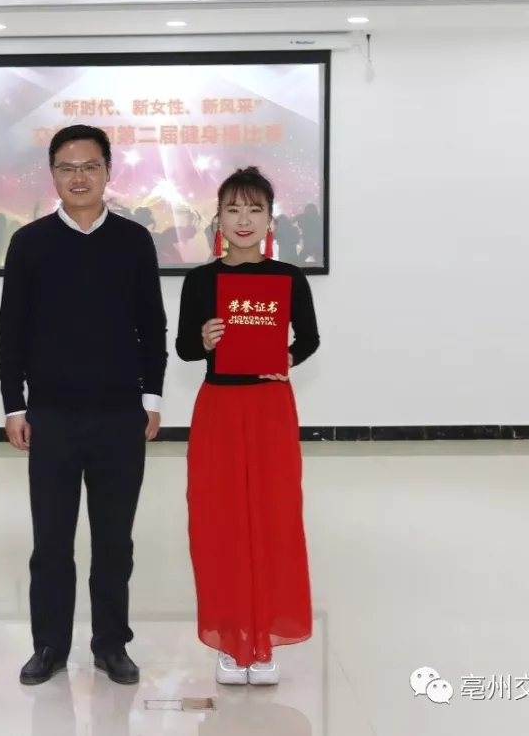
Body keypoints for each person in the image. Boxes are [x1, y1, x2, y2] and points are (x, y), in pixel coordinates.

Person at [0, 124, 168, 687]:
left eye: (90, 166)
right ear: (52, 174)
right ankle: (49, 645)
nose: (79, 177)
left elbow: (153, 326)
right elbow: (11, 331)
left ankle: (111, 644)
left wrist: (151, 396)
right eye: (67, 168)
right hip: (51, 416)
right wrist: (14, 405)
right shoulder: (29, 243)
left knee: (115, 542)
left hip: (120, 415)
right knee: (51, 541)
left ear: (108, 172)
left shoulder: (134, 240)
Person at [175, 166, 320, 686]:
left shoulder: (288, 278)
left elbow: (309, 339)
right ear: (218, 217)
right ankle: (231, 638)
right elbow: (184, 349)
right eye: (233, 209)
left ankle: (264, 640)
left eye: (254, 209)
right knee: (220, 521)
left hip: (270, 408)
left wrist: (286, 357)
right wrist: (205, 339)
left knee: (273, 517)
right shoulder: (200, 280)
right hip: (219, 409)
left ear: (269, 219)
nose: (243, 219)